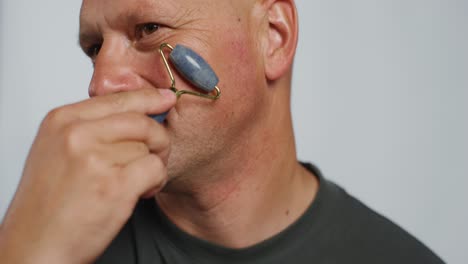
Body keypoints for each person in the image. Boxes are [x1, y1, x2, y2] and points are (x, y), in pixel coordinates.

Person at [0, 0, 444, 263]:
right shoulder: (54, 245)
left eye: (150, 29)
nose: (100, 84)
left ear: (273, 37)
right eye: (95, 48)